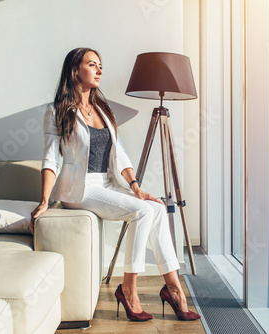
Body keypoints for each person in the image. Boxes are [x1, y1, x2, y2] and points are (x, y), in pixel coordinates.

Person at [30, 47, 200, 322]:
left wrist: (136, 187)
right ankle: (129, 289)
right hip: (80, 189)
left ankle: (174, 289)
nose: (100, 70)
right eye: (92, 64)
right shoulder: (57, 111)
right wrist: (43, 201)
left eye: (100, 65)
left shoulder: (103, 110)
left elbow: (120, 153)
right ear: (75, 71)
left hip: (108, 184)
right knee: (144, 212)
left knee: (154, 207)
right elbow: (50, 159)